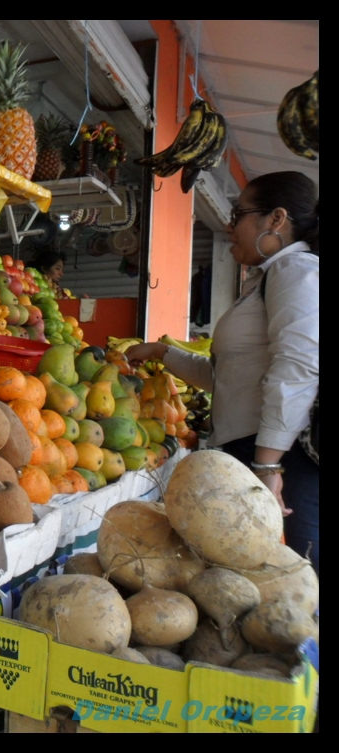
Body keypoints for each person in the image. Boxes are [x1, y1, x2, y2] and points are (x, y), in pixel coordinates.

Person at [126, 171, 319, 574]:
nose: (230, 226)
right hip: (255, 455)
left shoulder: (294, 270)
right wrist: (164, 352)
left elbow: (298, 367)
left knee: (291, 588)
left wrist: (268, 467)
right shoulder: (264, 280)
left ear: (276, 220)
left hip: (283, 462)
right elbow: (228, 379)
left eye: (239, 213)